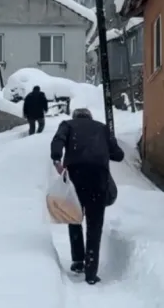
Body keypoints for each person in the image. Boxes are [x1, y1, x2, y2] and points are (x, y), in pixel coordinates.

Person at [50, 107, 124, 284]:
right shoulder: (102, 128)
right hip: (98, 179)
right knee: (94, 225)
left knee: (74, 217)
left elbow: (57, 141)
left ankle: (78, 261)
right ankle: (91, 273)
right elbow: (118, 155)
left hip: (75, 177)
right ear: (90, 117)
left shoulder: (67, 125)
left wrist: (57, 160)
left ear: (75, 117)